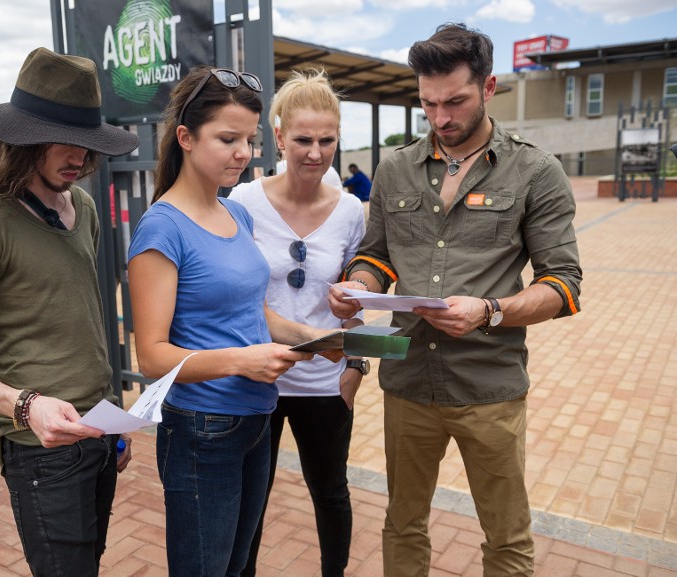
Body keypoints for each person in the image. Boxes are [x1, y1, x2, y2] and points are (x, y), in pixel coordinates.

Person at [328, 23, 582, 577]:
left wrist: (491, 310)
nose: (441, 118)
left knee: (507, 538)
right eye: (428, 104)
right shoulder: (395, 167)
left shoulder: (537, 171)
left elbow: (563, 284)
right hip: (408, 381)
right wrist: (359, 289)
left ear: (489, 87)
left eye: (455, 101)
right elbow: (377, 256)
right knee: (402, 523)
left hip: (488, 385)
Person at [0, 47, 139, 577]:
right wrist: (25, 406)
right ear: (20, 138)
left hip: (97, 430)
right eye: (65, 142)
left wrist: (111, 418)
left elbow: (83, 321)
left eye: (89, 145)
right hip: (39, 448)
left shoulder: (85, 207)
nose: (80, 158)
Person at [127, 66, 320, 576]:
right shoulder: (162, 228)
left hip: (255, 419)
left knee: (236, 568)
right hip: (201, 428)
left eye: (250, 140)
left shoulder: (238, 214)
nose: (244, 153)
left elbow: (250, 309)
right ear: (186, 138)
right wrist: (243, 361)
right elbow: (151, 356)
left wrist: (314, 338)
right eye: (228, 138)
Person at [229, 69, 366, 577]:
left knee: (330, 493)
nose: (315, 152)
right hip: (259, 379)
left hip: (324, 383)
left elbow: (358, 292)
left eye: (327, 140)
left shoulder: (351, 210)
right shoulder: (244, 202)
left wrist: (355, 365)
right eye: (303, 139)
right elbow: (233, 291)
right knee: (252, 501)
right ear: (280, 137)